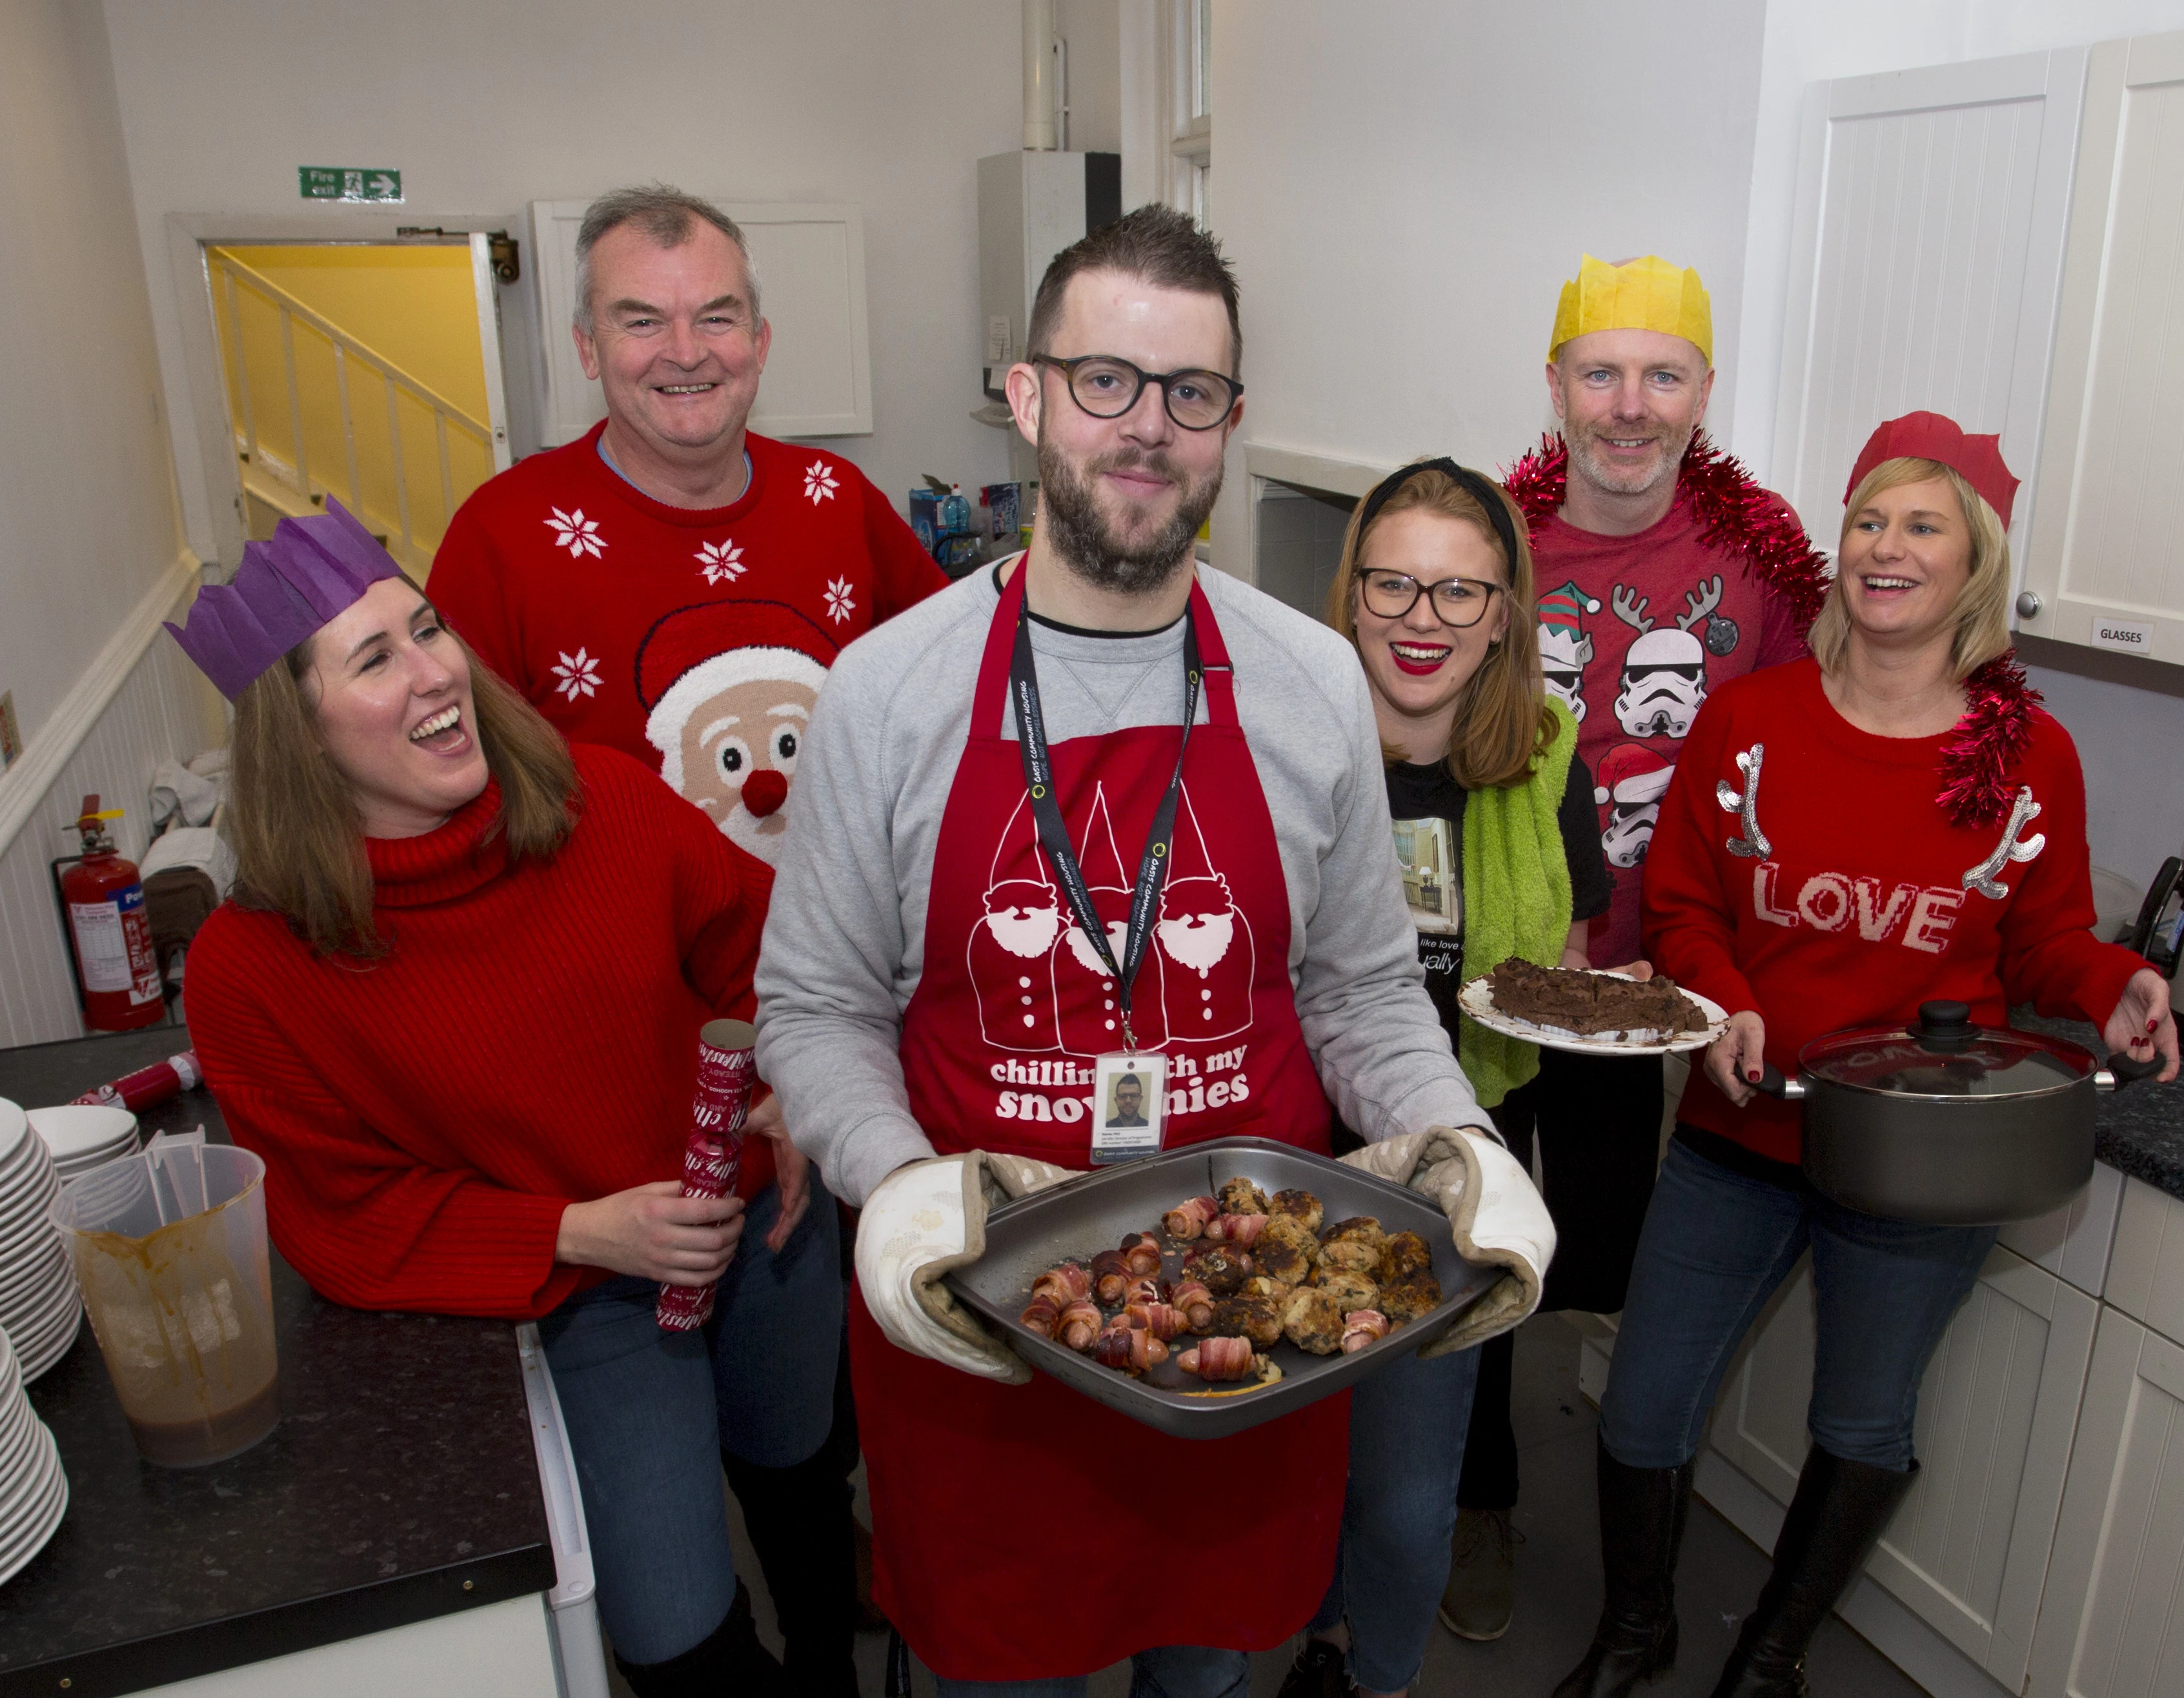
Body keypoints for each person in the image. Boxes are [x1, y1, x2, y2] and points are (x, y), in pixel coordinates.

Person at [754, 205, 1553, 1694]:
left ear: (1230, 423)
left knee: (1205, 1670)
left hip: (1254, 1331)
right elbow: (813, 1001)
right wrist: (900, 1179)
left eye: (1191, 393)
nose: (1147, 429)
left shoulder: (1312, 678)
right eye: (1106, 379)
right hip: (987, 1325)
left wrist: (1452, 1130)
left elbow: (1357, 982)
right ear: (1027, 391)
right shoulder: (889, 688)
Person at [169, 509, 856, 1698]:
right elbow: (347, 1216)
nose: (437, 670)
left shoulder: (603, 799)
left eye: (428, 629)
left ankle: (836, 1664)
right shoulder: (251, 972)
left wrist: (796, 1081)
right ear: (301, 735)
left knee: (803, 1483)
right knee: (674, 1634)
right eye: (375, 657)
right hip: (587, 1295)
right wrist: (583, 1230)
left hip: (765, 1223)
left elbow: (765, 950)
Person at [1553, 413, 2178, 1697]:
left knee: (1858, 1418)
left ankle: (1768, 1653)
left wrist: (2115, 984)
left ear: (1971, 566)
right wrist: (1721, 996)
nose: (1881, 547)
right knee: (1640, 1402)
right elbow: (1681, 907)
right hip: (1740, 1129)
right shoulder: (1746, 722)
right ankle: (1634, 1627)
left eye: (1918, 526)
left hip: (1913, 1158)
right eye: (1865, 520)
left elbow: (2046, 938)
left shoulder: (2023, 756)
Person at [1439, 256, 1828, 1632]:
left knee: (1604, 1252)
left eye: (1659, 374)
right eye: (1597, 372)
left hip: (1646, 981)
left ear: (1699, 393)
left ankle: (1614, 1497)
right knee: (1476, 1242)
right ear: (1552, 388)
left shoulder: (1754, 551)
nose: (1626, 404)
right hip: (1495, 960)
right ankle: (1476, 1501)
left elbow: (1797, 748)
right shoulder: (1489, 534)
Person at [1275, 458, 1613, 1698]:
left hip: (1446, 1179)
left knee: (1409, 1497)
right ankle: (1313, 1632)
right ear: (1351, 591)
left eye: (1460, 593)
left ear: (1505, 610)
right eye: (1394, 584)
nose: (1423, 621)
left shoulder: (1541, 762)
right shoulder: (1277, 745)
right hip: (1286, 1160)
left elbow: (1568, 957)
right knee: (1286, 1460)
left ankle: (1371, 1671)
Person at [429, 183, 945, 865]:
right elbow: (444, 792)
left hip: (842, 950)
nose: (685, 351)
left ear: (758, 342)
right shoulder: (499, 536)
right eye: (641, 322)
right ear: (587, 350)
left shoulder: (836, 498)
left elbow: (957, 679)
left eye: (716, 319)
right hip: (625, 961)